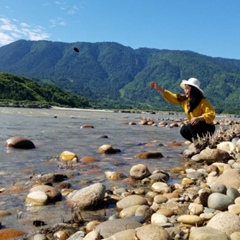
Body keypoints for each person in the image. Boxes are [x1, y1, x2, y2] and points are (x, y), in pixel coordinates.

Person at [150, 78, 216, 145]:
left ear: (193, 90)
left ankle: (200, 144)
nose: (185, 91)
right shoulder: (185, 100)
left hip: (207, 128)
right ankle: (197, 143)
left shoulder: (203, 101)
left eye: (187, 88)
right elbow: (172, 97)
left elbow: (211, 114)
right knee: (183, 130)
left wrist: (198, 118)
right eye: (185, 88)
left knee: (191, 126)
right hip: (194, 127)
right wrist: (159, 88)